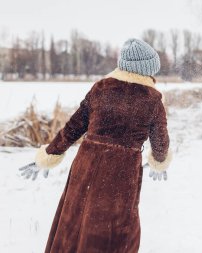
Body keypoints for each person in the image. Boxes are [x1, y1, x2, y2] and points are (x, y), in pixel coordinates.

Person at [19, 38, 172, 252]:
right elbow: (161, 142)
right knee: (113, 229)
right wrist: (159, 161)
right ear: (147, 68)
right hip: (121, 172)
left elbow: (73, 127)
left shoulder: (101, 88)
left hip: (86, 164)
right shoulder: (152, 99)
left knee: (75, 220)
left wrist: (49, 155)